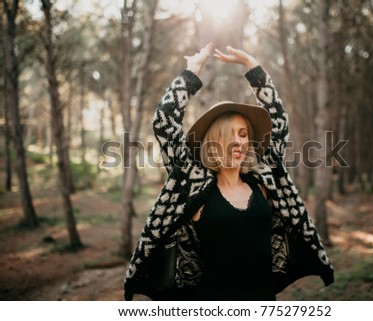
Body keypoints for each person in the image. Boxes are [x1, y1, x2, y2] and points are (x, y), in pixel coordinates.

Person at [124, 43, 334, 301]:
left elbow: (278, 121)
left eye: (244, 134)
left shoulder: (263, 180)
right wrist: (191, 71)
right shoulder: (193, 182)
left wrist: (252, 67)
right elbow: (164, 121)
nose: (239, 141)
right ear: (214, 141)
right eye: (230, 134)